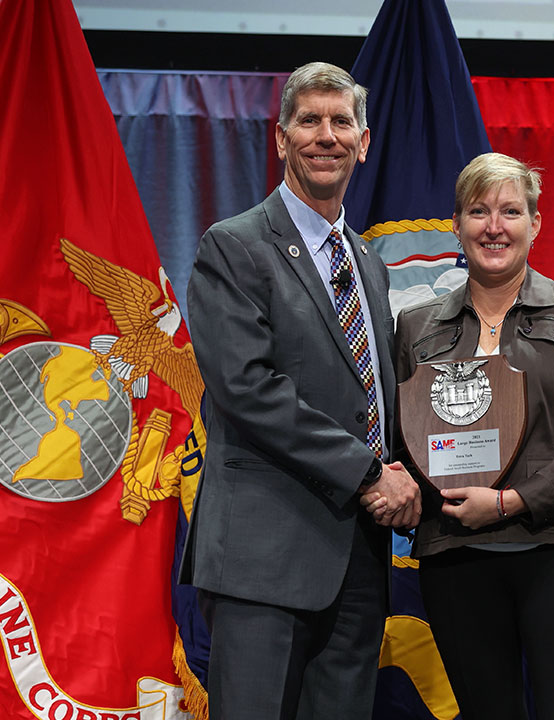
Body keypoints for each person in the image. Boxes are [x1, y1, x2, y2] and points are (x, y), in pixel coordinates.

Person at [180, 61, 420, 720]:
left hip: (357, 566)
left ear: (363, 141)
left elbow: (371, 397)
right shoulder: (233, 247)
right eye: (308, 121)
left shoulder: (367, 263)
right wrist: (368, 473)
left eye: (341, 121)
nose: (326, 135)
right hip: (264, 562)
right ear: (281, 139)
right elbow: (246, 386)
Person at [382, 152, 554, 720]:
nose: (494, 226)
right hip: (456, 555)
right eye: (478, 211)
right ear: (457, 225)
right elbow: (402, 445)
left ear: (535, 224)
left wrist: (510, 502)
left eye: (510, 211)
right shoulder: (416, 327)